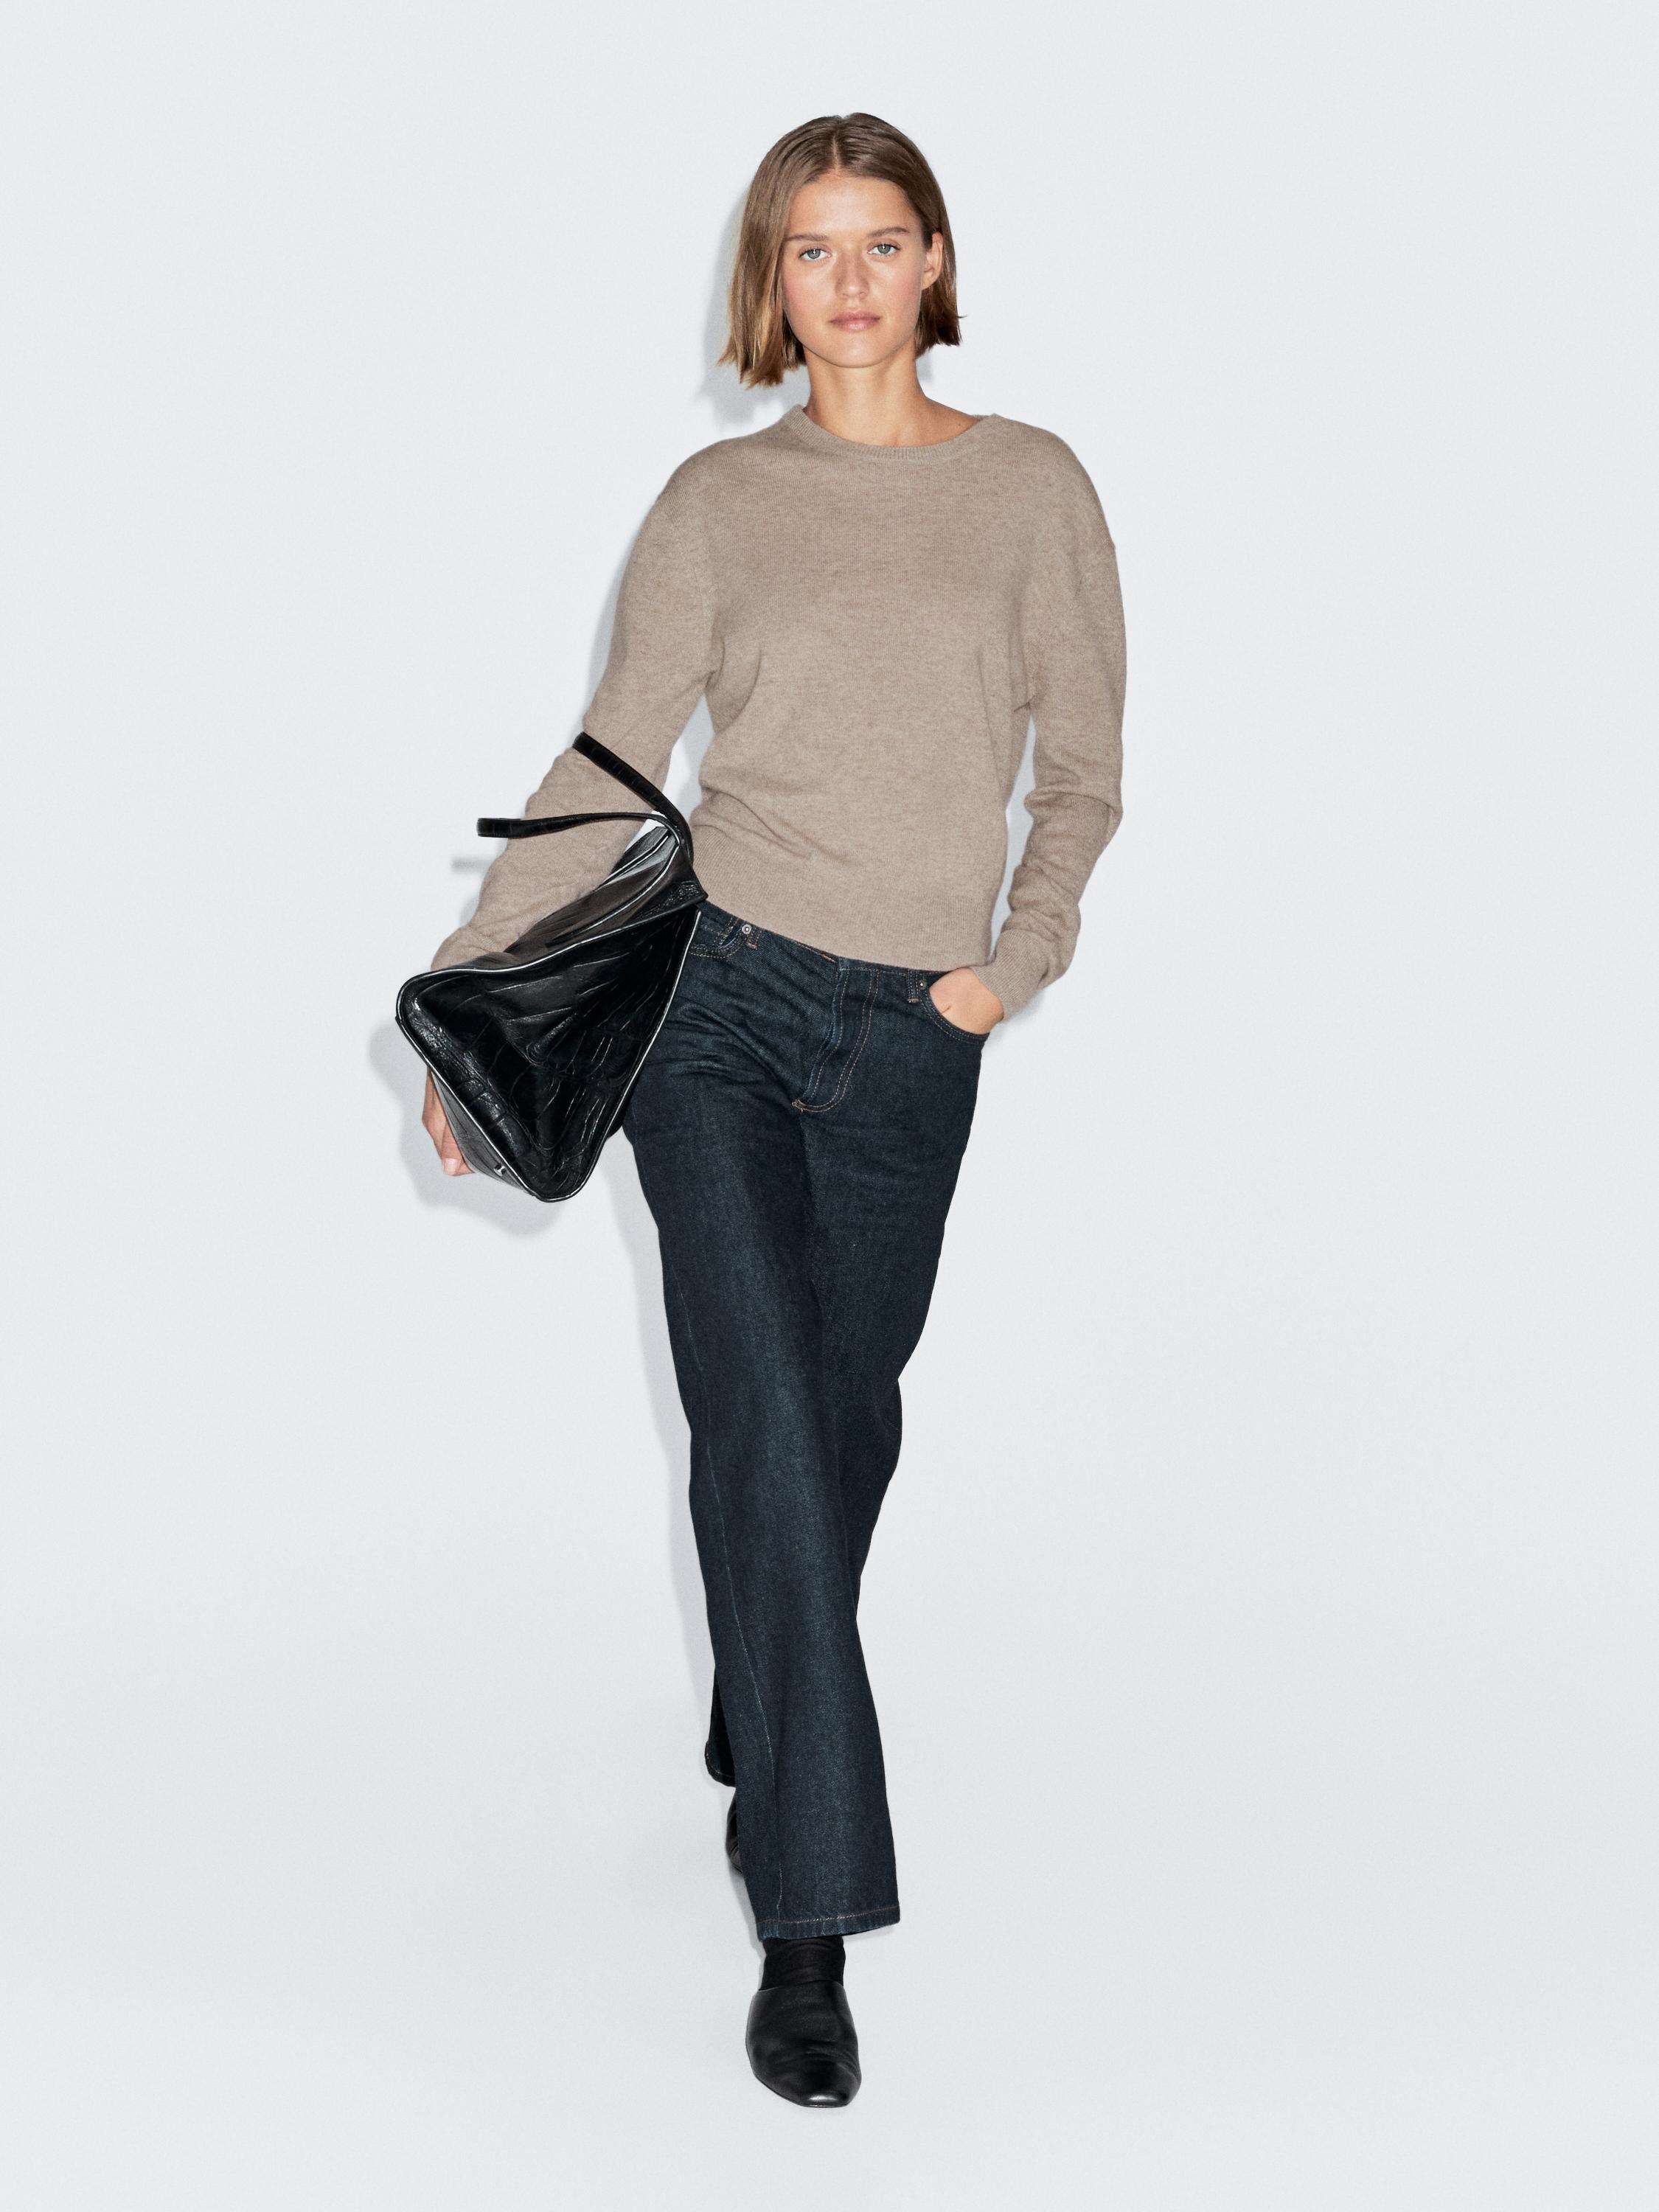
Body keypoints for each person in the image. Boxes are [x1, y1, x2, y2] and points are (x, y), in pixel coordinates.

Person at [420, 111, 1127, 2107]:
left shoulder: (1032, 490)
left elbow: (1082, 773)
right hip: (713, 1011)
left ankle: (764, 1670)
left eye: (879, 242)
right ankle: (807, 1922)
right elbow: (612, 760)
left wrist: (1009, 968)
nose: (847, 282)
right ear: (773, 280)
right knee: (757, 1410)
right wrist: (475, 997)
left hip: (915, 1028)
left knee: (839, 1415)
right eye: (810, 250)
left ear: (932, 261)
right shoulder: (720, 503)